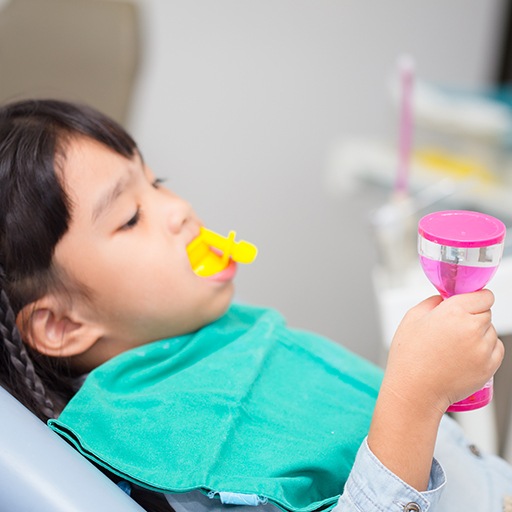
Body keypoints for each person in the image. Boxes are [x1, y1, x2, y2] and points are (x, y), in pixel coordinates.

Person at [0, 98, 510, 512]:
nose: (180, 210)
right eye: (131, 216)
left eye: (158, 184)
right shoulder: (165, 451)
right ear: (62, 324)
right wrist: (415, 397)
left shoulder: (218, 337)